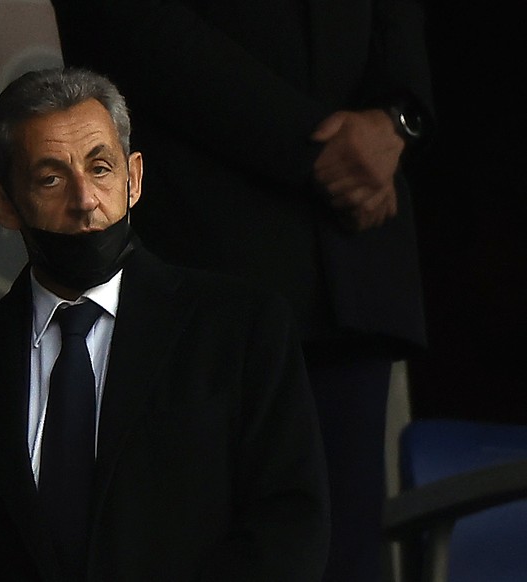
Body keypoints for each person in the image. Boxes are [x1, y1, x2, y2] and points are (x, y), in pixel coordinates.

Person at [0, 67, 329, 580]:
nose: (85, 201)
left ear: (133, 178)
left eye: (100, 168)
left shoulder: (241, 331)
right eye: (51, 179)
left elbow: (288, 531)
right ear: (4, 204)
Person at [48, 2, 434, 581]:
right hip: (202, 253)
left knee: (346, 550)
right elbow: (129, 26)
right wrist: (320, 149)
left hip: (349, 266)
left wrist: (395, 119)